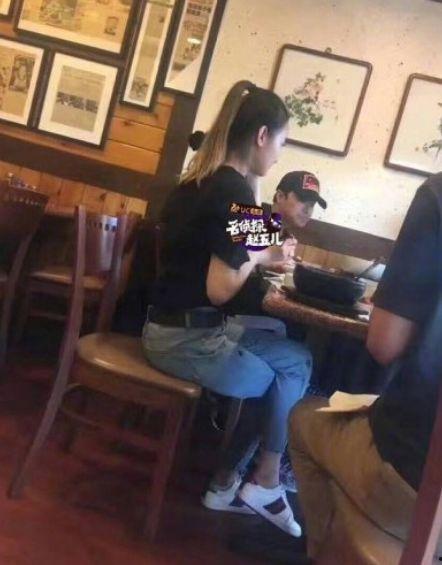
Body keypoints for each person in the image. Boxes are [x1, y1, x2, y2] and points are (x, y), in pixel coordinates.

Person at [143, 80, 312, 536]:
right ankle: (245, 484)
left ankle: (252, 481)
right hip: (185, 338)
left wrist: (260, 246)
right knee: (280, 383)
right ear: (262, 136)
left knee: (297, 359)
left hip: (171, 325)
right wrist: (259, 254)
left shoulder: (209, 179)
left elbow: (240, 248)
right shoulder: (233, 192)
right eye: (280, 143)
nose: (279, 155)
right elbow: (221, 289)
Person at [288, 172, 442, 559]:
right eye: (303, 202)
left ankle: (323, 552)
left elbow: (384, 343)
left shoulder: (437, 196)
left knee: (303, 414)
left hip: (417, 485)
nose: (306, 211)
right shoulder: (253, 209)